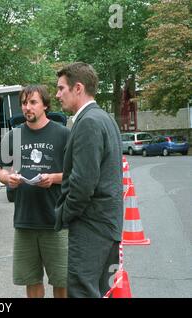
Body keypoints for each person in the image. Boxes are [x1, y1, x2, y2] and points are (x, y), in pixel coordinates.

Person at [54, 62, 123, 298]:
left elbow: (83, 183)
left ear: (78, 88)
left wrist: (65, 214)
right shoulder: (104, 118)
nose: (57, 94)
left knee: (82, 291)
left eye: (61, 88)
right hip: (104, 226)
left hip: (91, 227)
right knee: (98, 290)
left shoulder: (89, 122)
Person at [0, 85, 70, 298]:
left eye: (33, 102)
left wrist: (54, 178)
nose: (27, 108)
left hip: (56, 221)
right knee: (31, 280)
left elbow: (76, 173)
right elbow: (1, 169)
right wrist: (8, 178)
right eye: (24, 103)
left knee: (61, 281)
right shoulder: (14, 135)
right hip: (25, 220)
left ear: (45, 105)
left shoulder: (63, 134)